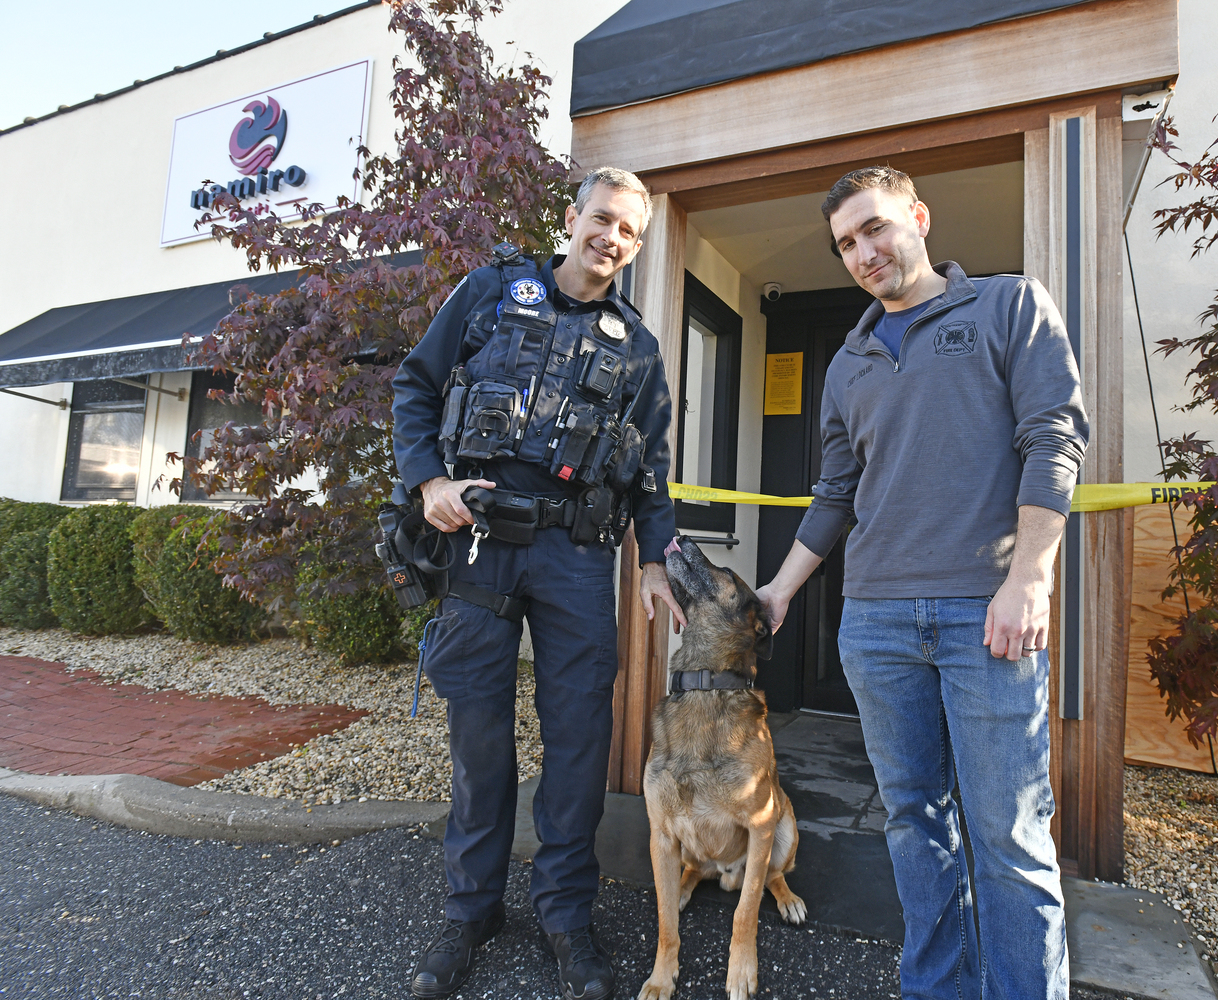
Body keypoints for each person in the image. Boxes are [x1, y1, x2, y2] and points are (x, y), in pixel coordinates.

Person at [755, 166, 1088, 1000]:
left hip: (988, 615)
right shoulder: (848, 363)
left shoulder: (1009, 306)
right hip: (874, 623)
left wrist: (1029, 579)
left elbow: (1055, 439)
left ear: (919, 217)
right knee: (915, 824)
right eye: (847, 243)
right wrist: (783, 589)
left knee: (1008, 836)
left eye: (876, 228)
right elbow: (835, 496)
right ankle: (938, 988)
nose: (865, 252)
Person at [392, 166, 684, 1000]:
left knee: (580, 744)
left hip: (579, 558)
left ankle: (564, 915)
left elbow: (651, 471)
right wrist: (428, 483)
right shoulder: (489, 292)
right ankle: (471, 908)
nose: (612, 239)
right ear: (573, 217)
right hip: (479, 537)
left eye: (629, 231)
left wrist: (654, 557)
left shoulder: (640, 350)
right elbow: (414, 385)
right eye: (602, 220)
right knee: (480, 739)